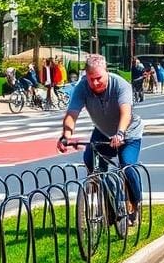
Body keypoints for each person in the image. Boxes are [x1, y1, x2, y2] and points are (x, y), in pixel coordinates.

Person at [56, 55, 144, 224]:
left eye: (98, 78)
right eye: (91, 79)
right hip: (103, 132)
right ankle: (111, 205)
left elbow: (126, 112)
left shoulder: (120, 85)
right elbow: (72, 114)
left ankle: (135, 204)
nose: (95, 83)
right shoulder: (82, 87)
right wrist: (66, 135)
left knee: (127, 166)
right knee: (90, 161)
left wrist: (120, 134)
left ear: (106, 72)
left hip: (128, 133)